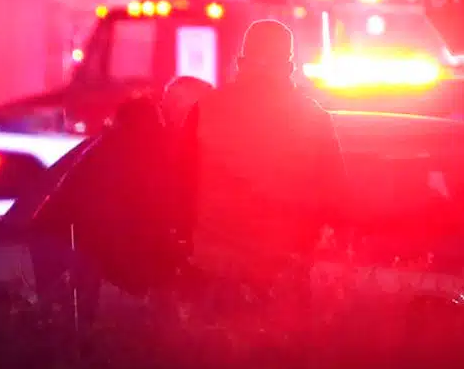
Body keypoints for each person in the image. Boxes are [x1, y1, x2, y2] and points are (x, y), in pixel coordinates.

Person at [182, 19, 348, 310]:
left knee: (212, 351)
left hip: (215, 267)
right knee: (281, 350)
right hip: (284, 267)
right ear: (289, 66)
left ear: (241, 61)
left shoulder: (205, 109)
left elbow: (177, 184)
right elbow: (335, 197)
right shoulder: (313, 118)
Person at [27, 96, 181, 326]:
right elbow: (106, 221)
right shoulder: (120, 155)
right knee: (72, 315)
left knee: (70, 315)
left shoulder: (113, 149)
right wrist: (135, 272)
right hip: (65, 238)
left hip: (58, 235)